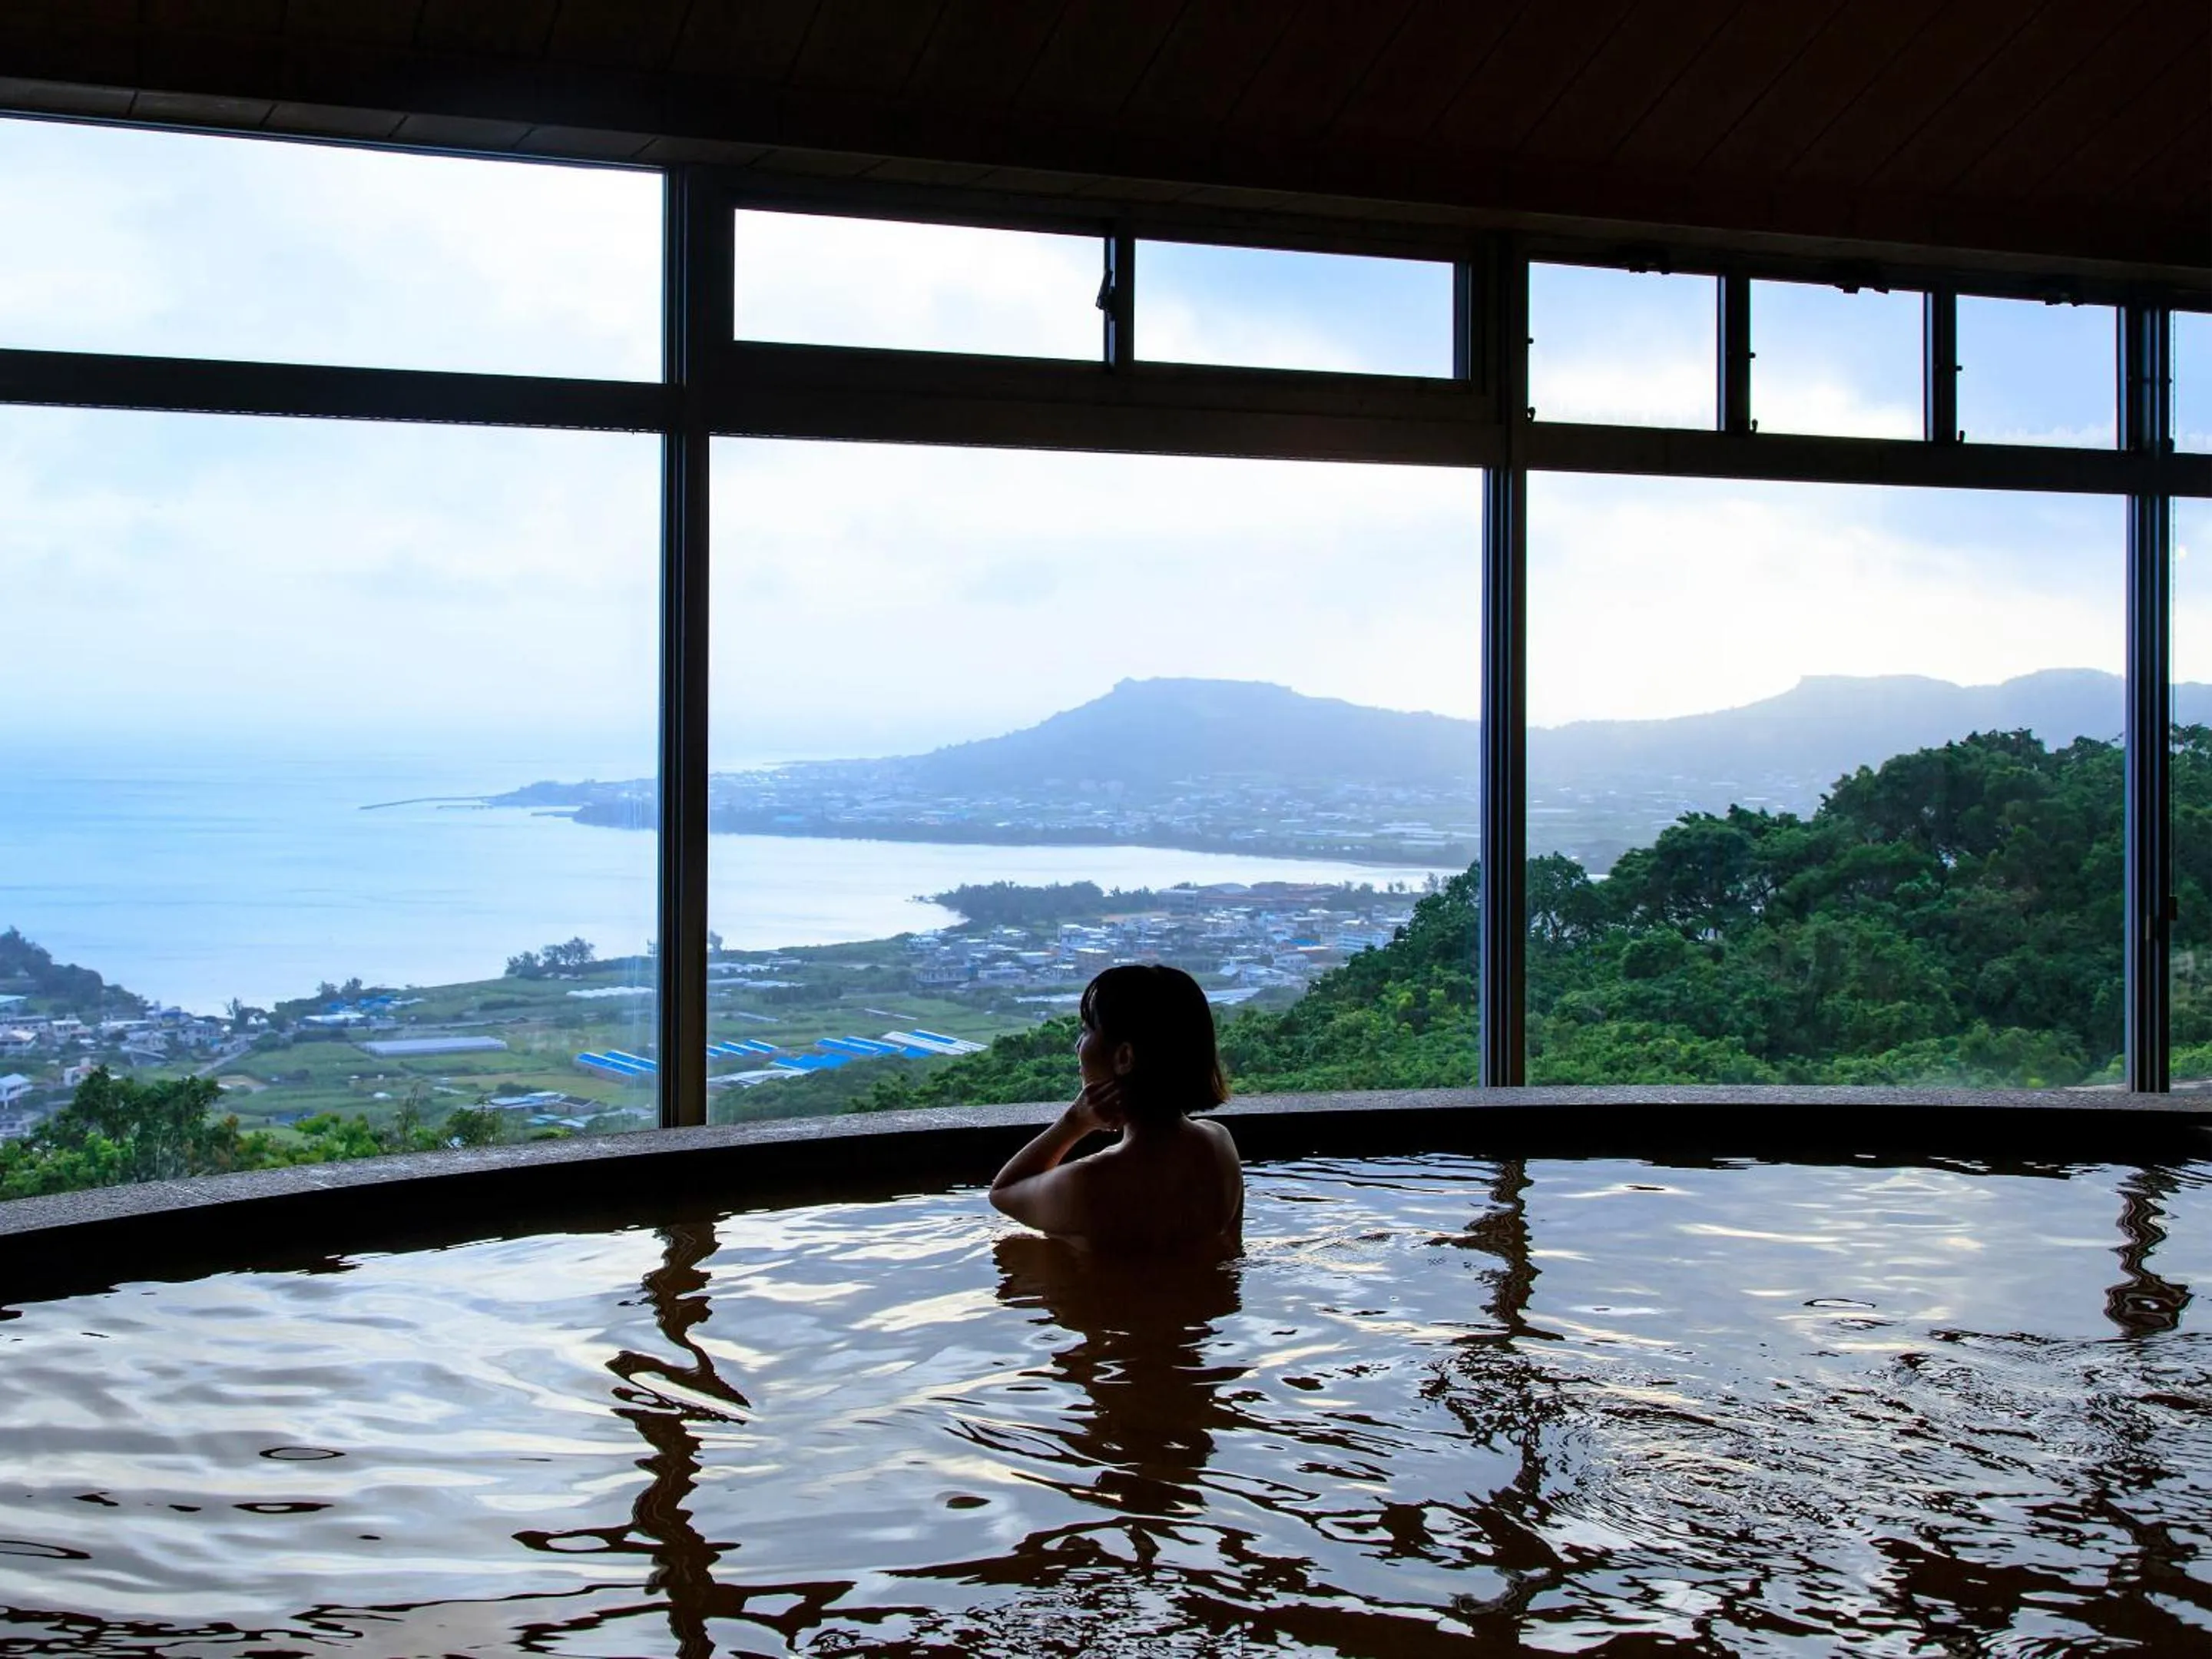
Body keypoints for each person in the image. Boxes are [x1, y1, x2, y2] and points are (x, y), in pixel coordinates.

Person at [989, 964, 1243, 1256]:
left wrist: (1073, 1123)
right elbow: (1232, 1256)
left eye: (1086, 1031)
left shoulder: (1087, 1184)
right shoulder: (1220, 1146)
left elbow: (1003, 1192)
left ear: (1124, 1057)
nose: (1077, 1045)